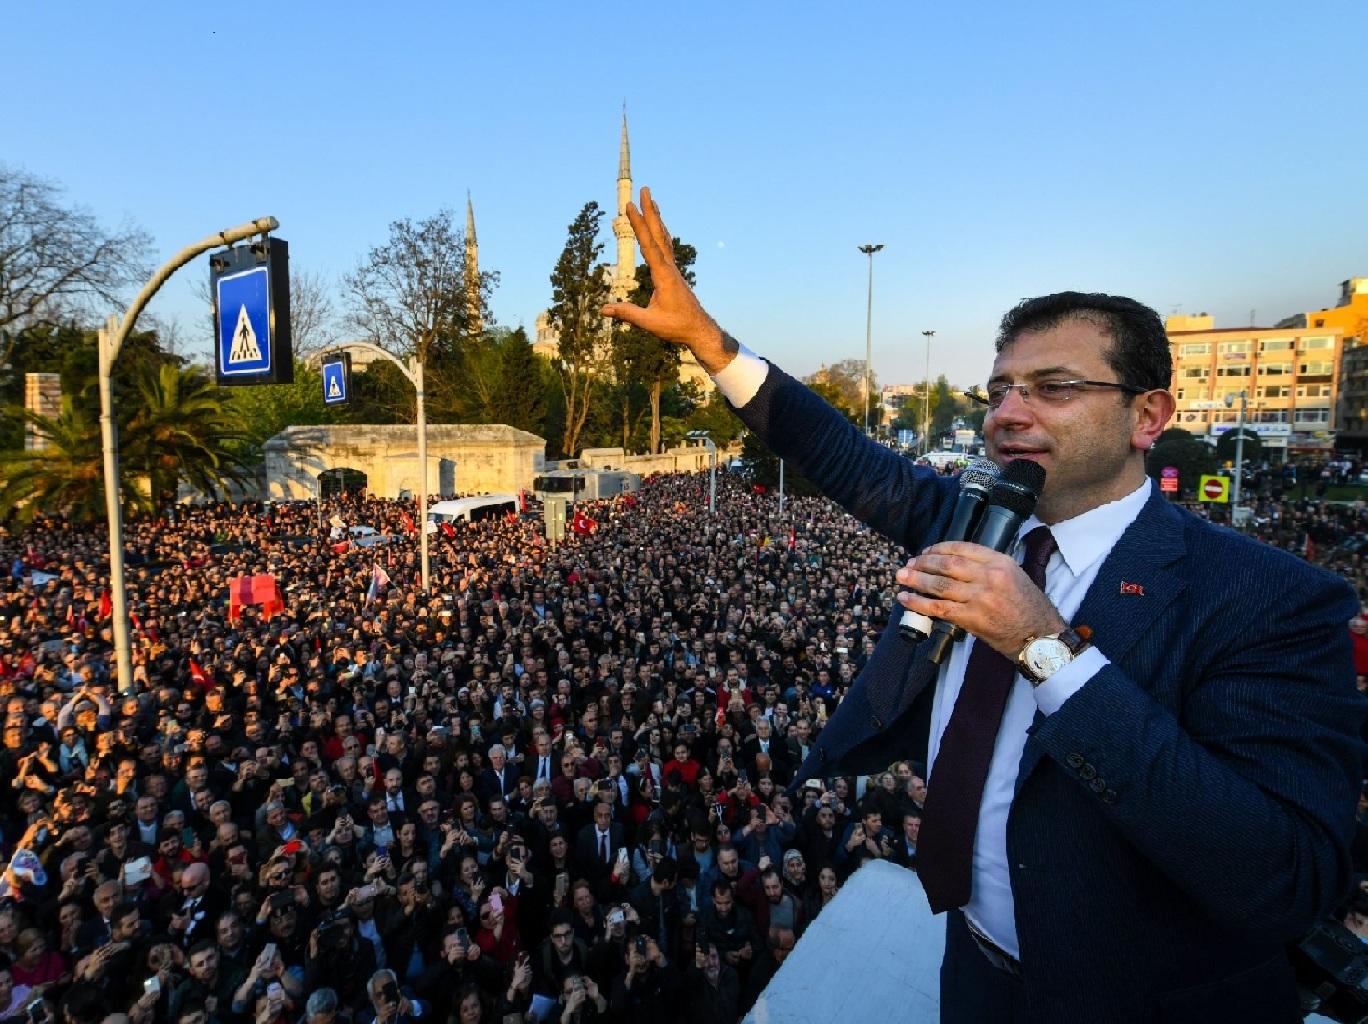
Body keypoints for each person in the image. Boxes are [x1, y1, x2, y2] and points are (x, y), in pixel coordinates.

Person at [602, 186, 1366, 1022]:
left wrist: (1045, 644)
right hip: (971, 969)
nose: (1008, 413)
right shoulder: (975, 522)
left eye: (1052, 387)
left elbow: (1287, 875)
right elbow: (842, 454)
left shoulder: (1271, 599)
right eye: (999, 388)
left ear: (1149, 415)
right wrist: (710, 344)